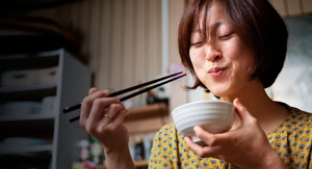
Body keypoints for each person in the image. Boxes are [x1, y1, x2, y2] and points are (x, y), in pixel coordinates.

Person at [79, 0, 312, 168]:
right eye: (197, 42)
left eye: (225, 35)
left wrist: (265, 162)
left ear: (262, 39)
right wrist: (114, 148)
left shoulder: (308, 135)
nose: (210, 53)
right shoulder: (173, 142)